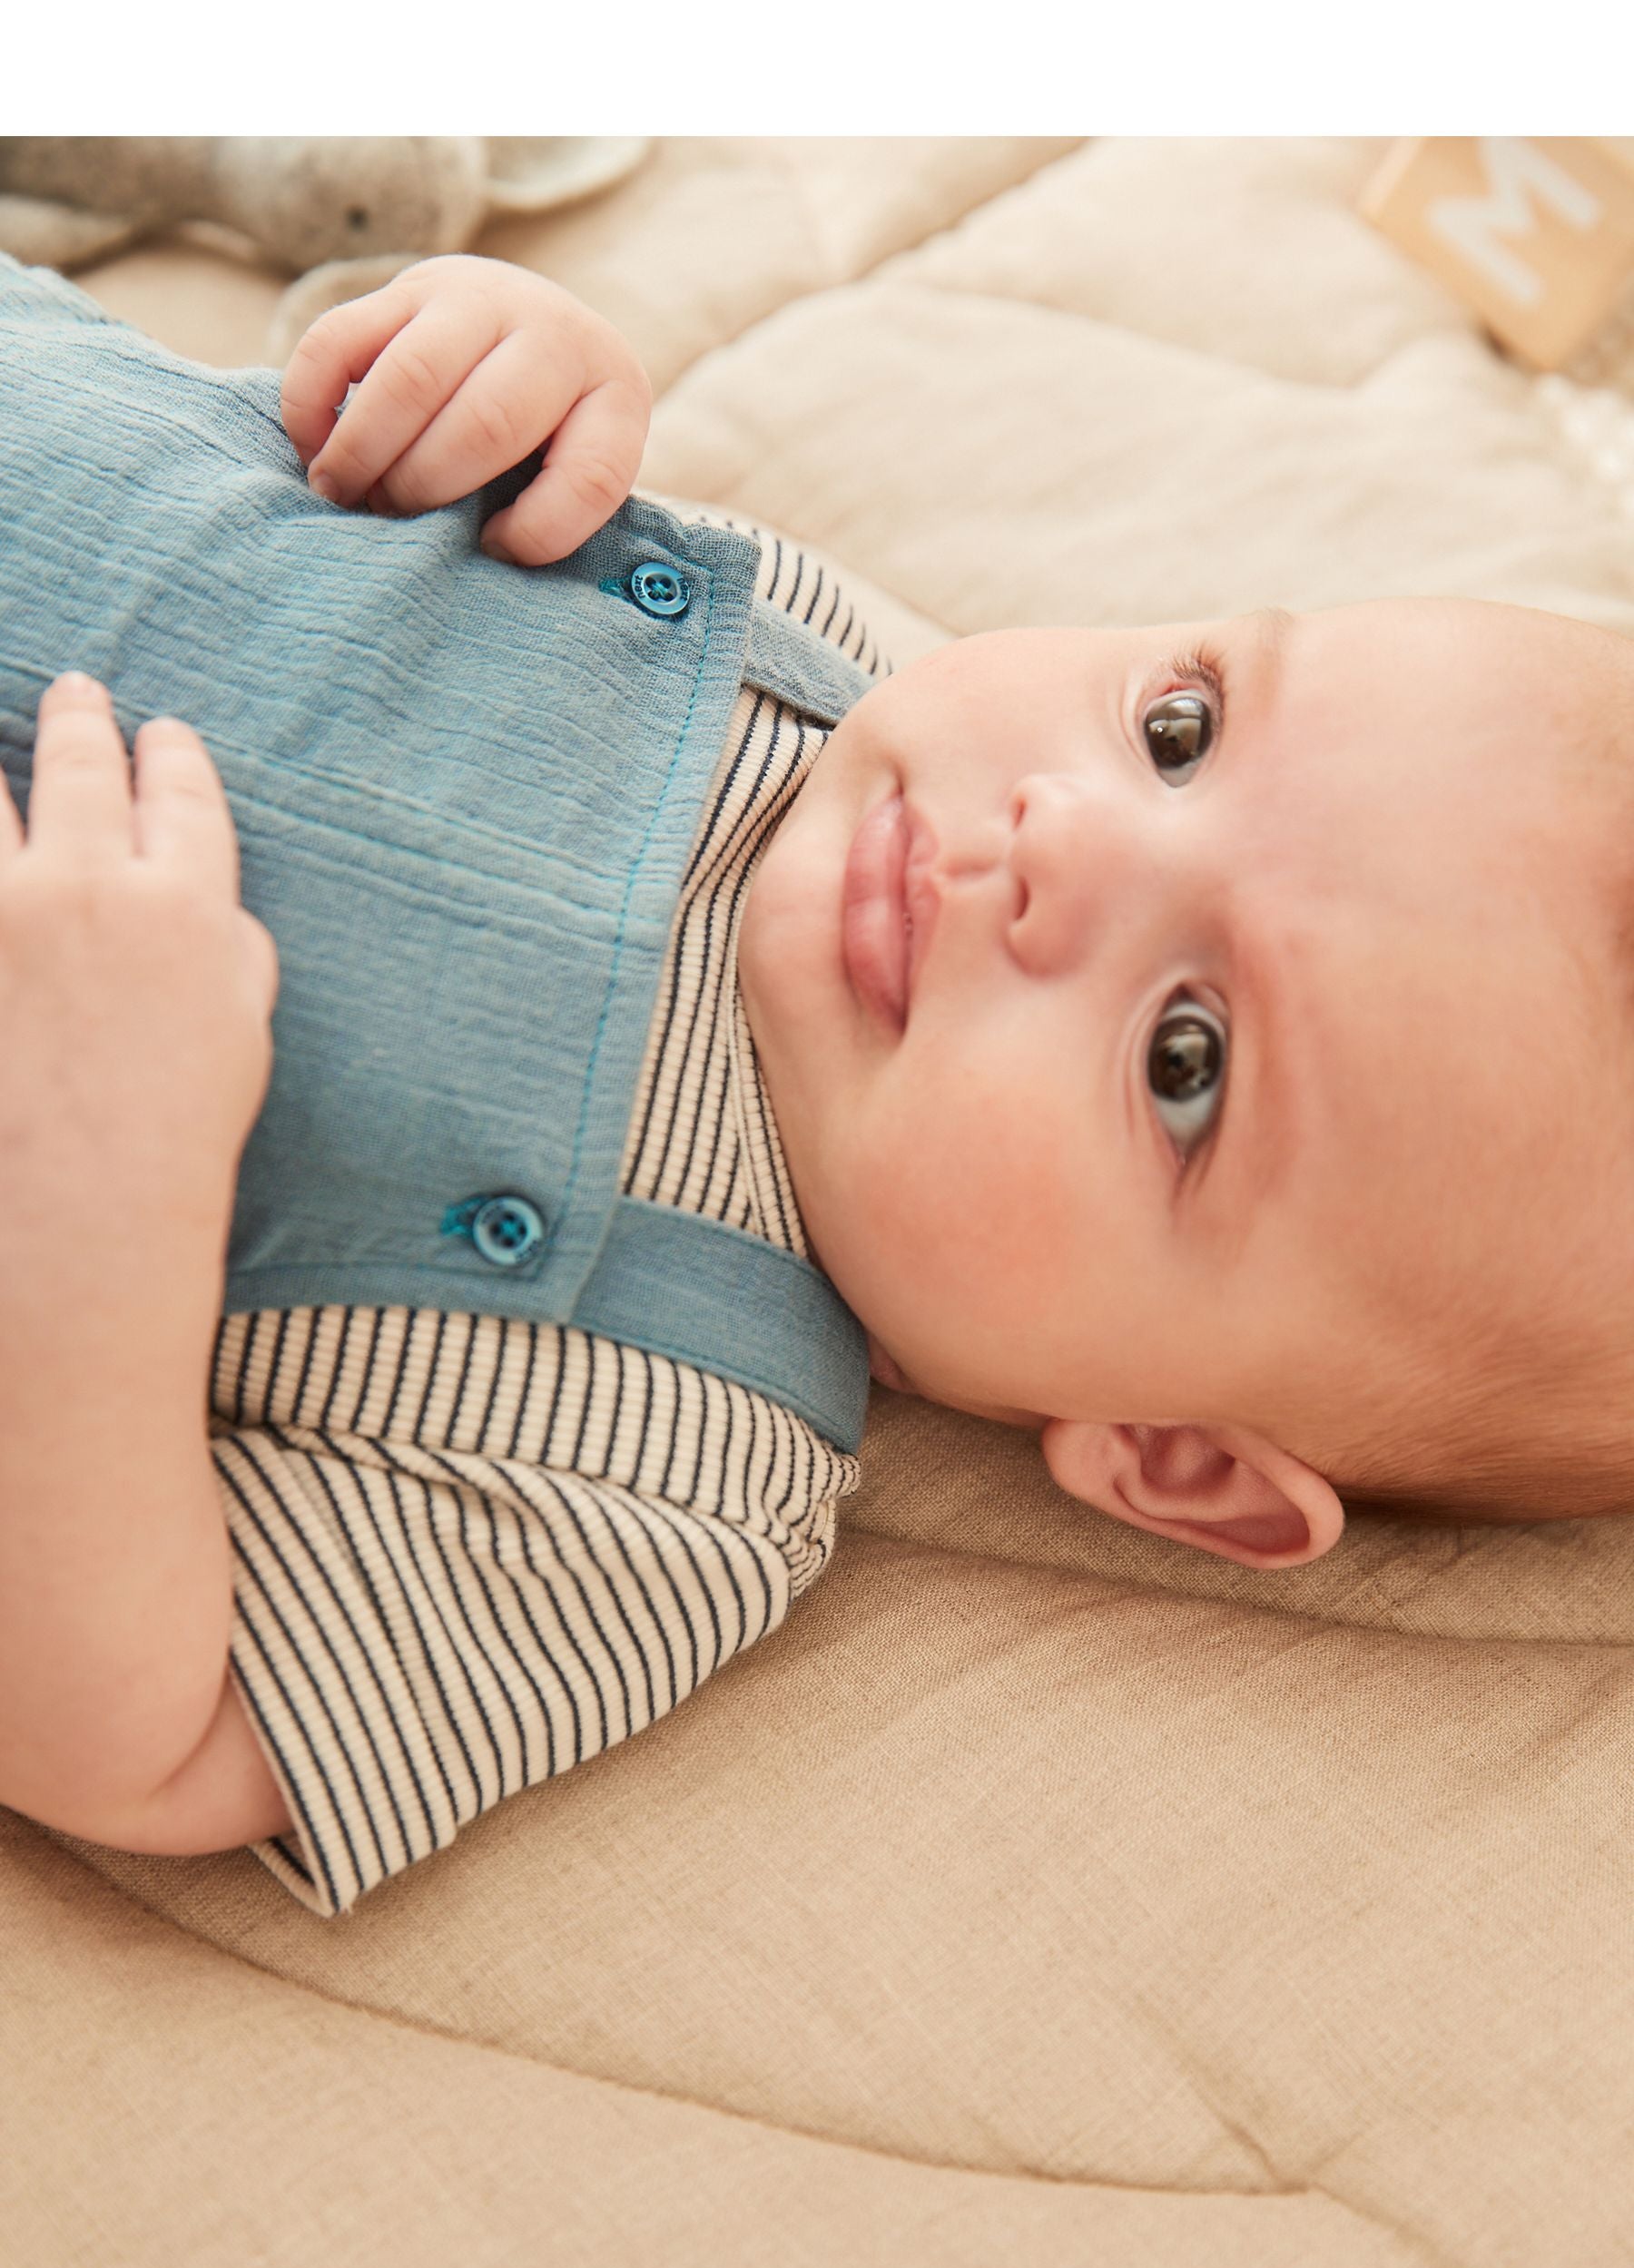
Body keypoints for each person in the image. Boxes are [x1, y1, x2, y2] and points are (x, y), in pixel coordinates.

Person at [3, 250, 1631, 1914]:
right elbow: (304, 443)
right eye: (1181, 733)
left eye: (1185, 1058)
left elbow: (138, 1742)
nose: (1054, 840)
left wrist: (94, 1212)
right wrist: (493, 363)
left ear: (1176, 1456)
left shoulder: (667, 1475)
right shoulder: (809, 662)